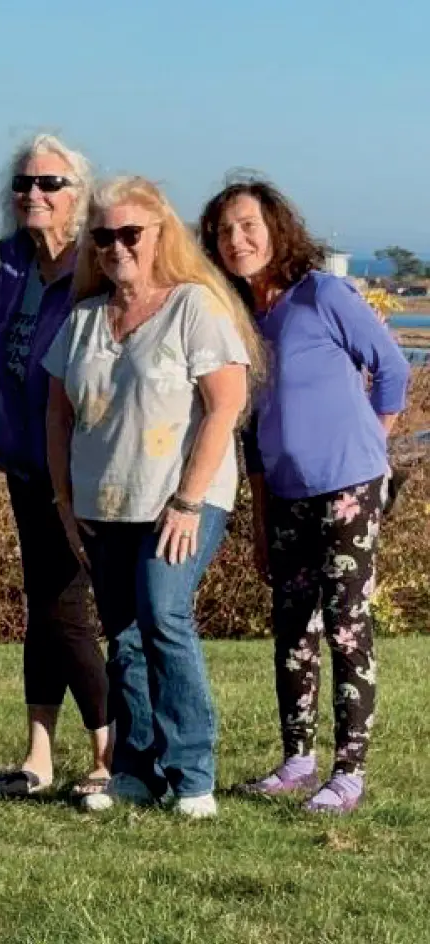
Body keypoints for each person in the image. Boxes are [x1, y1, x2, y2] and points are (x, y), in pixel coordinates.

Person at [44, 176, 264, 818]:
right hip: (102, 503)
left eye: (130, 234)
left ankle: (194, 773)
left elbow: (227, 405)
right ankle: (137, 768)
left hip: (181, 501)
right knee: (124, 634)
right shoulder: (83, 319)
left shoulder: (194, 306)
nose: (117, 246)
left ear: (160, 235)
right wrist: (64, 502)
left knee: (164, 616)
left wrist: (188, 502)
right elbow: (58, 417)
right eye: (104, 235)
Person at [200, 179, 410, 813]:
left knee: (345, 625)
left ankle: (348, 771)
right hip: (284, 494)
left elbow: (392, 370)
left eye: (248, 226)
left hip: (349, 488)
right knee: (292, 626)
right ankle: (297, 759)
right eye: (224, 231)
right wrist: (259, 520)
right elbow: (252, 435)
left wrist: (370, 446)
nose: (237, 240)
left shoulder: (323, 294)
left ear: (276, 228)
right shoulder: (238, 318)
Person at [0, 133, 113, 799]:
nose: (34, 194)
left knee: (68, 609)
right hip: (25, 468)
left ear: (78, 197)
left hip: (87, 472)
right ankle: (38, 756)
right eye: (24, 184)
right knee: (44, 608)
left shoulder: (97, 268)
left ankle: (108, 755)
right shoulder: (12, 268)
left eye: (50, 184)